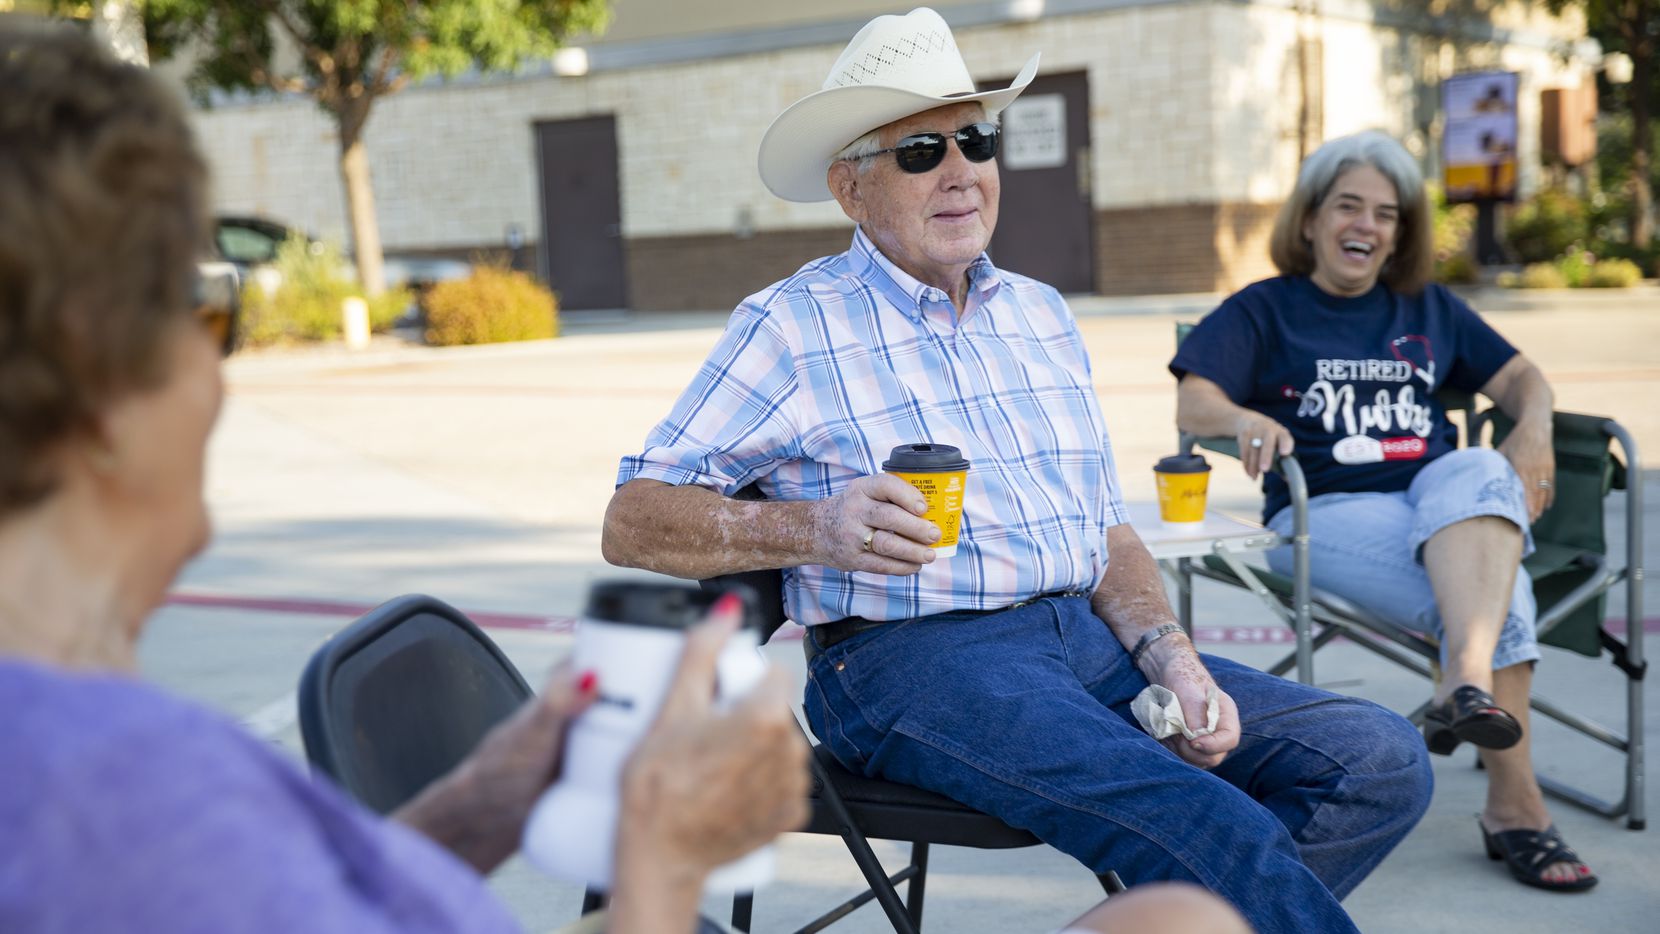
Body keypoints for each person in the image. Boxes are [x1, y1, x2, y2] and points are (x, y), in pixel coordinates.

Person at [602, 8, 1434, 931]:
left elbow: (1102, 527)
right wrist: (813, 527)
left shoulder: (1038, 314)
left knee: (1378, 757)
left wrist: (1174, 654)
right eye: (921, 150)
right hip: (910, 665)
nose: (960, 170)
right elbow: (631, 518)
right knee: (1208, 823)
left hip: (1087, 646)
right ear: (852, 187)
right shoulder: (793, 325)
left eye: (976, 139)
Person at [0, 24, 810, 934]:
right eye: (206, 310)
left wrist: (485, 802)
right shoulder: (134, 807)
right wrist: (667, 863)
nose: (220, 371)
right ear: (99, 380)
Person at [1169, 129, 1596, 893]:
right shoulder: (1266, 309)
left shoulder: (1427, 308)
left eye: (1386, 214)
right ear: (1309, 220)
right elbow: (1195, 396)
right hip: (1321, 515)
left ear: (1401, 234)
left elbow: (1523, 377)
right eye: (1348, 206)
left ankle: (1461, 686)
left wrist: (1533, 427)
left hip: (1438, 505)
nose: (1366, 225)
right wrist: (1240, 419)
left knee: (1474, 463)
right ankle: (1515, 807)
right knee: (1507, 595)